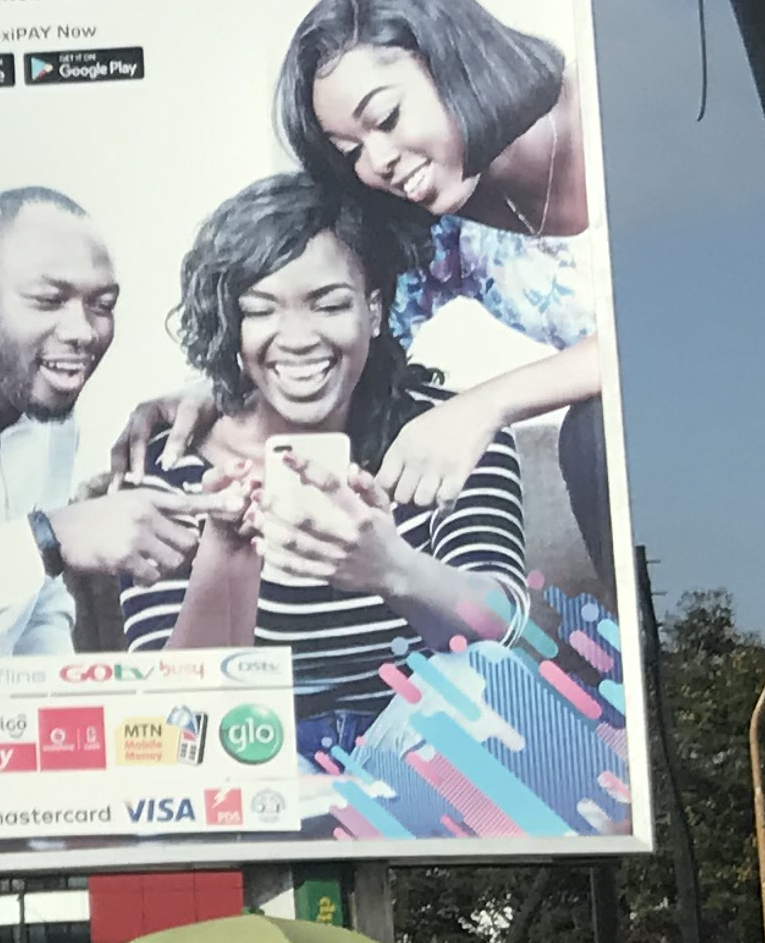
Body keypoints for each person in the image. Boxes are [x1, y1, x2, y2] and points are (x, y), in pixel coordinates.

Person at [102, 173, 532, 760]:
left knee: (488, 680)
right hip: (257, 755)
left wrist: (391, 568)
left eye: (329, 305)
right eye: (260, 311)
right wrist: (226, 553)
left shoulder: (451, 437)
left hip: (415, 754)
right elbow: (173, 726)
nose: (299, 339)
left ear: (374, 311)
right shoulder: (167, 461)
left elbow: (502, 633)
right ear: (232, 326)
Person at [277, 0, 613, 585]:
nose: (378, 162)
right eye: (351, 152)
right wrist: (215, 393)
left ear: (453, 58)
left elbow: (678, 312)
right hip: (658, 444)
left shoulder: (609, 103)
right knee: (596, 439)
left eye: (386, 117)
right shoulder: (444, 235)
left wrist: (484, 405)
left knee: (591, 431)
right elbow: (341, 336)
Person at [0, 186, 201, 656]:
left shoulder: (46, 405)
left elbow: (39, 606)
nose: (83, 332)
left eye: (102, 304)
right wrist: (49, 537)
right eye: (47, 300)